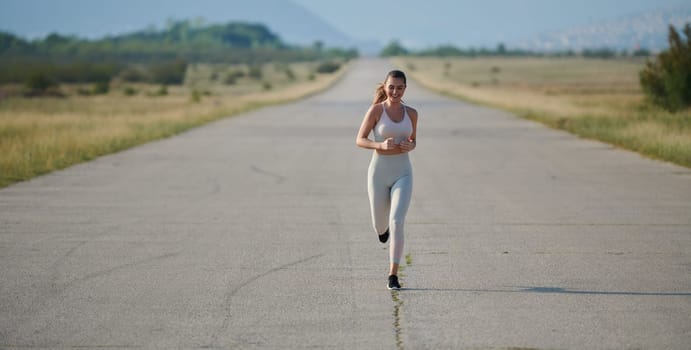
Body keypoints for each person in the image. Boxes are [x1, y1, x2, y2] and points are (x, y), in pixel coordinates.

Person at [356, 70, 418, 290]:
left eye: (400, 87)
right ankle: (383, 233)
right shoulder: (376, 111)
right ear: (384, 86)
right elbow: (360, 140)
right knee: (381, 225)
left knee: (397, 221)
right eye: (391, 87)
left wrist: (411, 145)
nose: (395, 91)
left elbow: (413, 140)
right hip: (379, 173)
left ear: (405, 89)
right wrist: (379, 145)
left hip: (403, 172)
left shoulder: (411, 113)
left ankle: (393, 275)